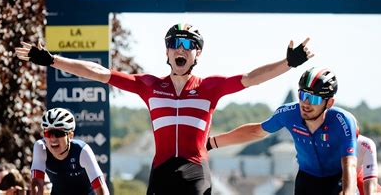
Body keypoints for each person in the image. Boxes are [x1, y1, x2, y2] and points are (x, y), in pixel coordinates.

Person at [16, 23, 313, 195]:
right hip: (160, 171)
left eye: (188, 44)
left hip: (195, 170)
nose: (181, 49)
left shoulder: (211, 87)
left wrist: (288, 63)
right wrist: (52, 60)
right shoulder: (148, 85)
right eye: (175, 44)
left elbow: (252, 78)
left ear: (198, 53)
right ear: (167, 51)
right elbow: (98, 72)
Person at [206, 67, 358, 195]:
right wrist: (211, 143)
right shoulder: (289, 113)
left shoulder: (342, 121)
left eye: (314, 99)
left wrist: (349, 192)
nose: (305, 103)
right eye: (303, 95)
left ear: (329, 103)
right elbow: (256, 132)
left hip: (337, 179)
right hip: (307, 179)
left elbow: (349, 164)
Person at [30, 108, 109, 195]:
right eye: (48, 133)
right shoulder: (41, 147)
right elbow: (37, 183)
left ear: (70, 135)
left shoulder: (82, 151)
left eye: (58, 133)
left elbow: (101, 189)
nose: (53, 139)